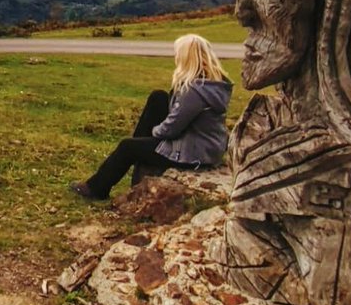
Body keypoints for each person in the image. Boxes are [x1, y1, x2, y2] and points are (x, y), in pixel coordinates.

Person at [70, 34, 232, 200]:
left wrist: (154, 131)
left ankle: (96, 189)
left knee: (127, 147)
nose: (176, 58)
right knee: (158, 97)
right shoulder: (211, 84)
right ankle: (140, 163)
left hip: (194, 151)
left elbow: (171, 129)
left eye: (178, 54)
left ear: (186, 57)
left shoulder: (195, 92)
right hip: (205, 145)